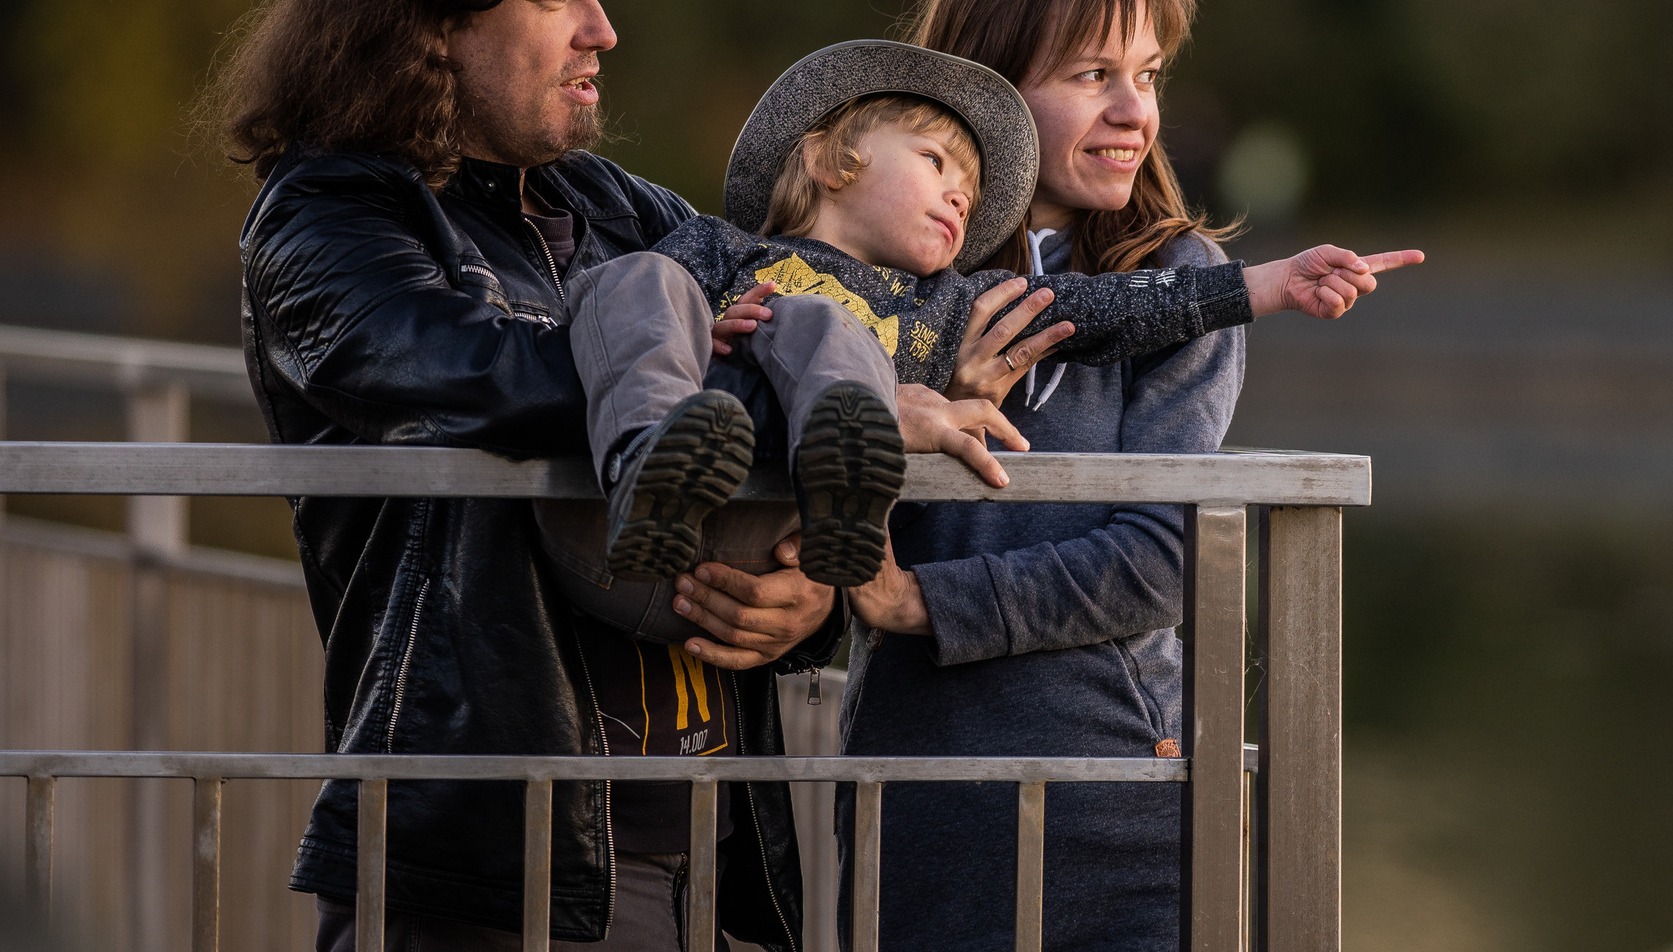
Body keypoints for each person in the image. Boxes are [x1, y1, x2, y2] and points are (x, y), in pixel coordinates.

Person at [224, 0, 851, 952]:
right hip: (496, 869)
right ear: (429, 18)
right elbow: (468, 369)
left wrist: (816, 597)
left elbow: (812, 316)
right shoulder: (331, 219)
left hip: (692, 853)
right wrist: (668, 357)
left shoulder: (613, 208)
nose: (601, 31)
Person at [670, 0, 1296, 952]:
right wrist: (823, 568)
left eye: (1149, 77)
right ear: (987, 93)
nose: (1134, 111)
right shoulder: (883, 274)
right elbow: (800, 491)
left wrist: (912, 602)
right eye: (1092, 75)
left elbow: (1170, 555)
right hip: (922, 812)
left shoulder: (1177, 291)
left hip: (1126, 822)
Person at [553, 38, 1416, 598]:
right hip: (639, 526)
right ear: (830, 159)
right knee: (631, 280)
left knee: (821, 327)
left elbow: (1102, 307)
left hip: (764, 543)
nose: (959, 199)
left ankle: (847, 474)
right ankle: (649, 451)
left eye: (969, 195)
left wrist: (1264, 284)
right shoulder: (718, 248)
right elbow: (613, 297)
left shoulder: (940, 307)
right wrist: (697, 330)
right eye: (935, 163)